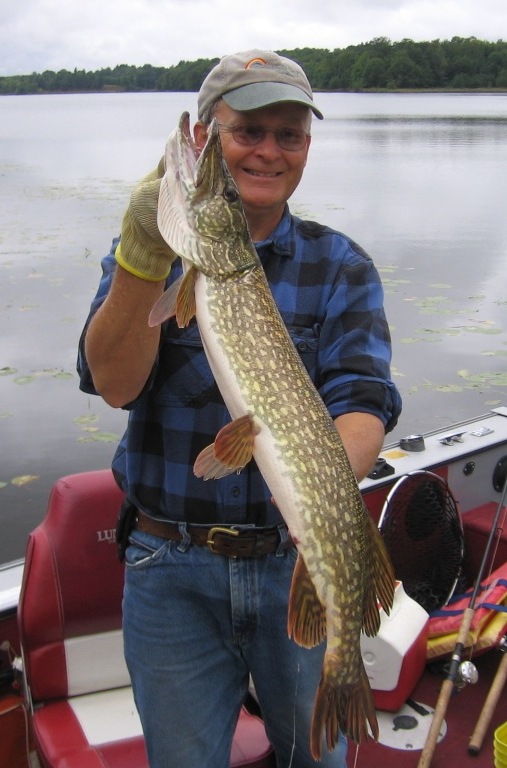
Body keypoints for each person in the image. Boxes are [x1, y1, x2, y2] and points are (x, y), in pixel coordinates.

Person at [78, 49, 402, 768]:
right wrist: (138, 258)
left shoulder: (340, 265)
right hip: (169, 567)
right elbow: (115, 384)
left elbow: (362, 400)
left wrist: (311, 498)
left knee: (315, 760)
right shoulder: (152, 256)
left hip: (293, 557)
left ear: (306, 149)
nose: (267, 150)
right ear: (209, 131)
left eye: (288, 134)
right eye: (246, 130)